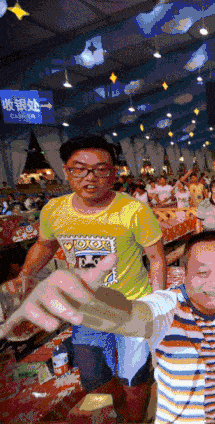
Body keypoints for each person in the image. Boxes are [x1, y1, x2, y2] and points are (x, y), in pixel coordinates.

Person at [1, 231, 215, 423]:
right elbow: (129, 316)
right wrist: (87, 304)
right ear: (183, 272)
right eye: (202, 272)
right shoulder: (168, 305)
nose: (214, 283)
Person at [4, 134, 166, 422]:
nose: (90, 177)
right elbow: (45, 245)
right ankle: (118, 413)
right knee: (96, 381)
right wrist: (25, 276)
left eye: (100, 169)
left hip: (132, 309)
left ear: (113, 173)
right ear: (66, 171)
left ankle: (134, 419)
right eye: (80, 169)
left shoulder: (134, 210)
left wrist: (156, 305)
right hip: (87, 313)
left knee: (134, 381)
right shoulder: (54, 211)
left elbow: (156, 259)